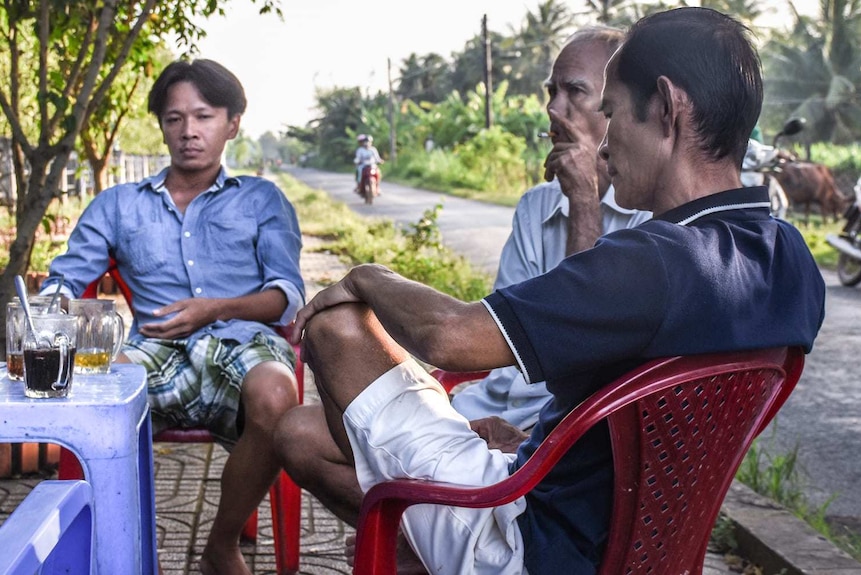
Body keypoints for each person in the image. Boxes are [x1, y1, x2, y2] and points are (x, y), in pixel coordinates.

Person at [276, 7, 826, 575]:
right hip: (643, 543)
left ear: (666, 108)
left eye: (611, 113)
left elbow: (450, 338)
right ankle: (409, 536)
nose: (606, 142)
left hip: (531, 542)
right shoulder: (792, 260)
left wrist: (368, 275)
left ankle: (405, 533)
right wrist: (540, 444)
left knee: (335, 327)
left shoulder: (653, 263)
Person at [41, 59, 305, 575]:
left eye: (203, 117)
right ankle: (121, 550)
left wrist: (215, 309)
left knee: (278, 395)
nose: (189, 132)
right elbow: (66, 280)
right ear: (162, 126)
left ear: (231, 124)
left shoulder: (261, 199)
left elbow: (286, 296)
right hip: (153, 352)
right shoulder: (117, 205)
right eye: (174, 119)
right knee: (98, 403)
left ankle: (220, 545)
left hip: (243, 343)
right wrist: (54, 309)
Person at [451, 26, 652, 430]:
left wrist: (583, 199)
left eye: (575, 92)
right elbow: (503, 337)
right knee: (321, 433)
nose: (554, 109)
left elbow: (584, 346)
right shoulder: (536, 205)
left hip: (553, 432)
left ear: (618, 107)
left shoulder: (650, 217)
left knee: (315, 440)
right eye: (551, 92)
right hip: (488, 410)